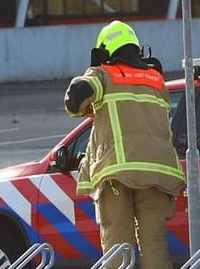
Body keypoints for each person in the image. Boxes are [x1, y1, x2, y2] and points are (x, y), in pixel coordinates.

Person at [64, 21, 185, 269]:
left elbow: (75, 99)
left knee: (118, 243)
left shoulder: (104, 75)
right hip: (158, 175)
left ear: (105, 51)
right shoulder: (155, 80)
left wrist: (93, 71)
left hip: (118, 175)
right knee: (154, 245)